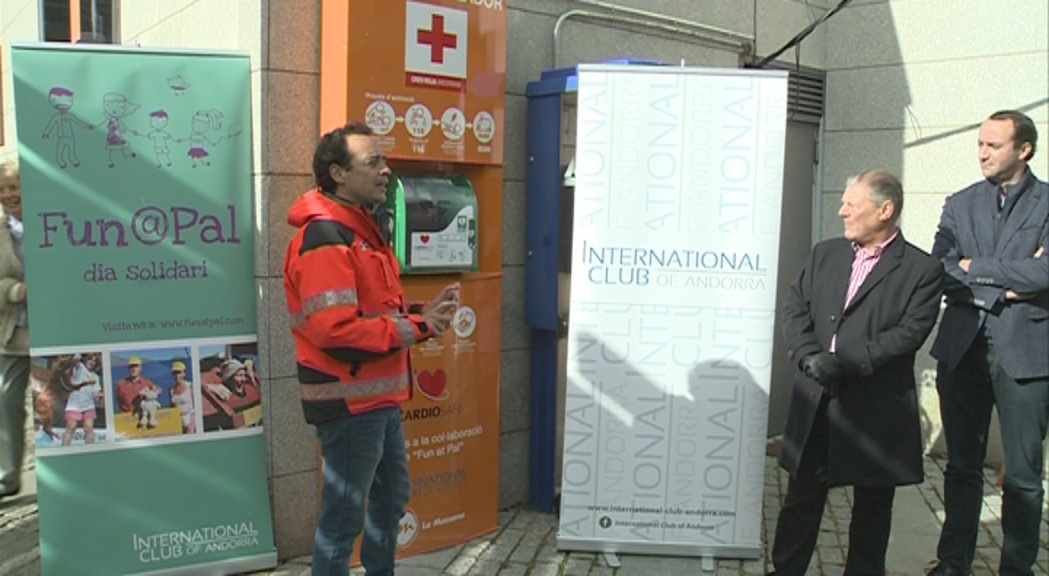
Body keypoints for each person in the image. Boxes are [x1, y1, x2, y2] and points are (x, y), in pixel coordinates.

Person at [283, 122, 459, 576]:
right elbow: (335, 330)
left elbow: (372, 309)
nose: (386, 170)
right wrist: (419, 325)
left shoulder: (358, 232)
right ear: (338, 173)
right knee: (344, 521)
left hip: (374, 400)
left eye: (384, 160)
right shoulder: (327, 238)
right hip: (349, 404)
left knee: (391, 500)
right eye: (373, 162)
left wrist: (423, 312)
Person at [768, 169, 944, 576]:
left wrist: (843, 360)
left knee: (872, 509)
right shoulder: (826, 252)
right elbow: (795, 306)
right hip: (816, 399)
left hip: (875, 407)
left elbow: (909, 334)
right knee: (801, 499)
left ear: (886, 210)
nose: (842, 210)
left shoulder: (922, 269)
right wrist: (809, 356)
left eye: (853, 204)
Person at [926, 110, 1048, 576]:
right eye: (979, 143)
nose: (982, 152)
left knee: (1022, 478)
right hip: (963, 348)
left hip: (1026, 355)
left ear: (1025, 149)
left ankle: (1016, 569)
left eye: (994, 145)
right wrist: (1012, 281)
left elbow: (1046, 271)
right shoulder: (960, 204)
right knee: (961, 467)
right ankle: (953, 563)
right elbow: (940, 269)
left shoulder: (1048, 203)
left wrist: (978, 266)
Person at [0, 161, 30, 501]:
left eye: (14, 186)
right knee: (6, 406)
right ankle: (7, 478)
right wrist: (15, 291)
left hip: (52, 331)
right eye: (3, 188)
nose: (8, 194)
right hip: (13, 334)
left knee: (54, 406)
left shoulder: (47, 224)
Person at [62, 353, 102, 446]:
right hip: (74, 405)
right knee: (71, 427)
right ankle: (64, 450)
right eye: (90, 359)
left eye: (94, 361)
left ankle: (89, 451)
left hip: (88, 406)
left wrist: (98, 396)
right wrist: (76, 357)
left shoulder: (96, 377)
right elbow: (75, 362)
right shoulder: (80, 368)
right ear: (86, 360)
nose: (92, 362)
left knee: (89, 428)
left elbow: (95, 392)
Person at [168, 360, 196, 434]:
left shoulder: (190, 386)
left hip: (190, 418)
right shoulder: (171, 390)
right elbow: (172, 406)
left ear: (184, 373)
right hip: (177, 421)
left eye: (179, 373)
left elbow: (196, 405)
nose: (177, 376)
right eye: (175, 373)